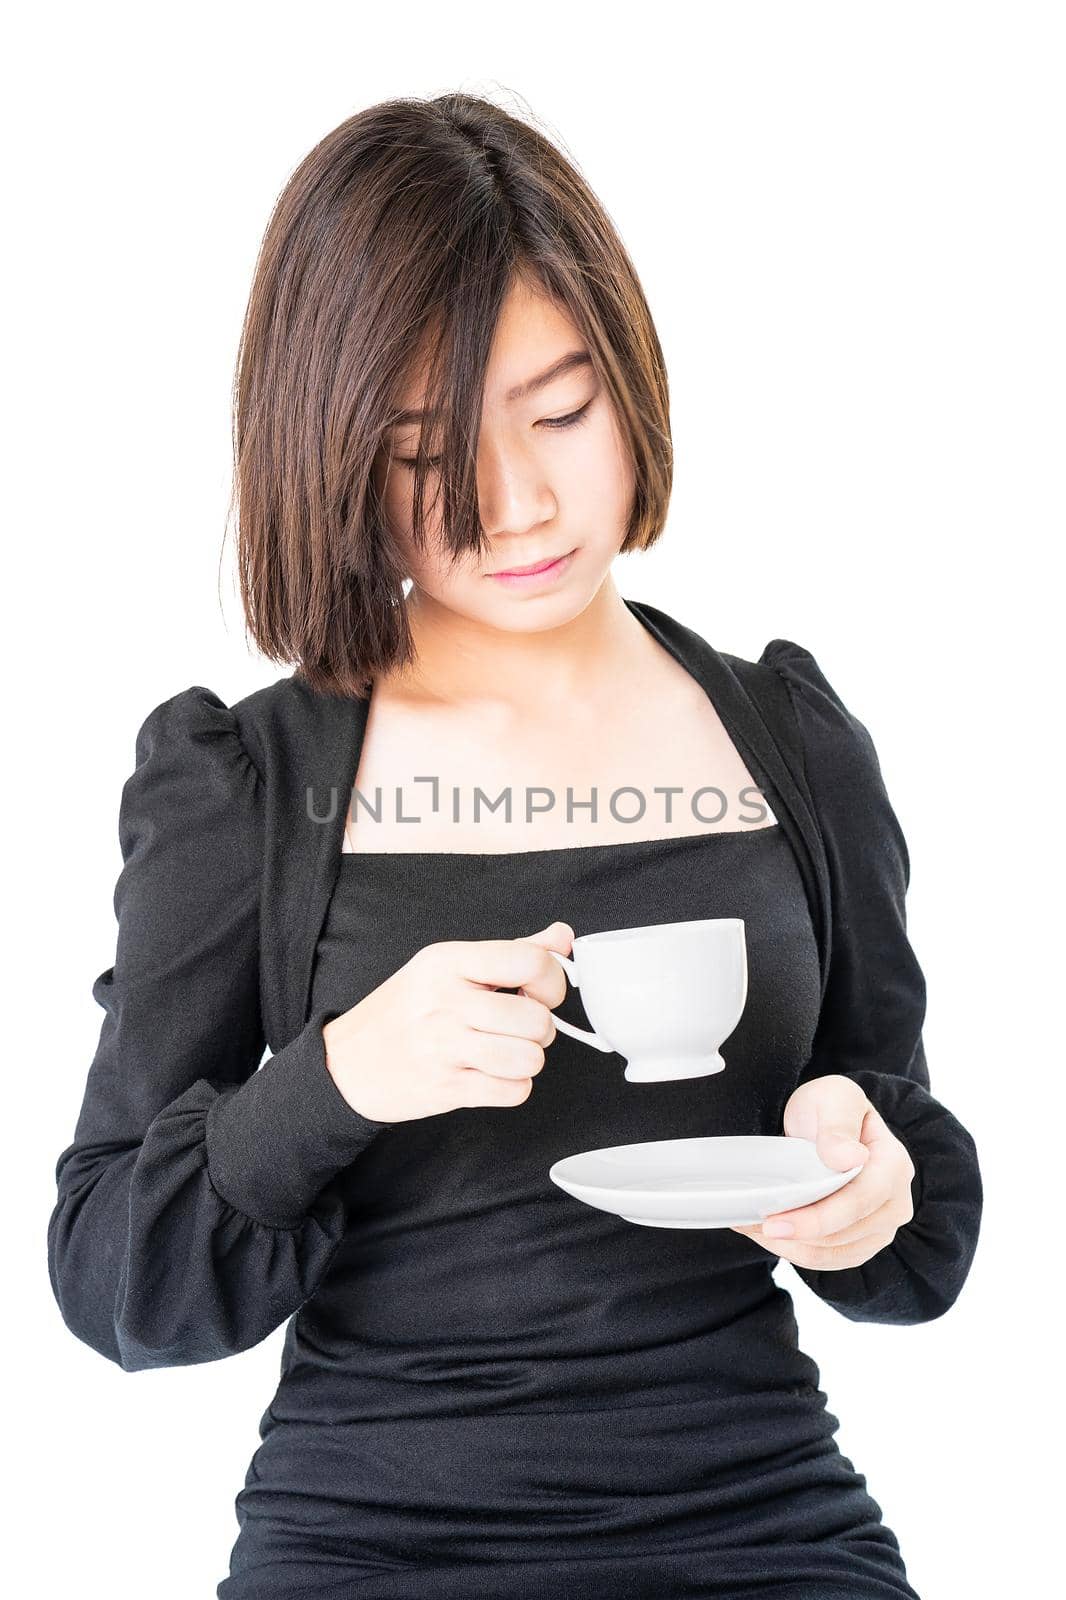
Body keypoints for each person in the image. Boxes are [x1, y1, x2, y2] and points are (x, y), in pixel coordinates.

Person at [46, 93, 982, 1600]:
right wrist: (339, 1080)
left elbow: (913, 1216)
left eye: (560, 411)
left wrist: (866, 1178)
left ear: (628, 384)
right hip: (367, 1540)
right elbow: (115, 1284)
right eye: (425, 451)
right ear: (334, 459)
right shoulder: (247, 783)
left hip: (761, 1522)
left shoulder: (791, 742)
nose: (522, 502)